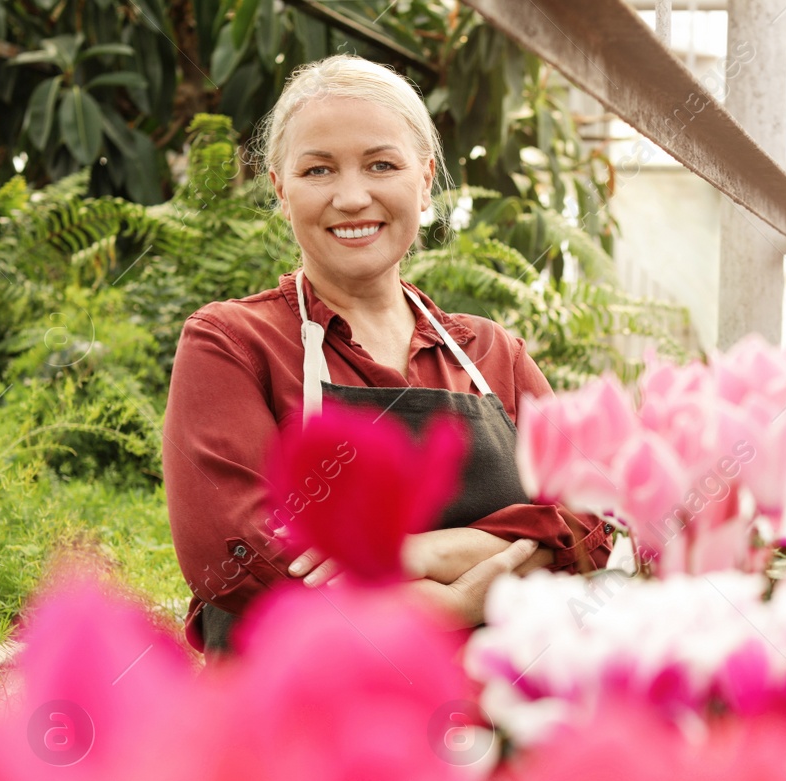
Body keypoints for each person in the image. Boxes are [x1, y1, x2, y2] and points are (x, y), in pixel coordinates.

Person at [162, 54, 612, 657]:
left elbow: (591, 522)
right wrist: (455, 601)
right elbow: (238, 557)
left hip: (494, 712)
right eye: (318, 170)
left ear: (424, 180)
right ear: (280, 187)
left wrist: (420, 552)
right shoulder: (233, 343)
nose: (352, 197)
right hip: (303, 716)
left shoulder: (493, 353)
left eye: (382, 164)